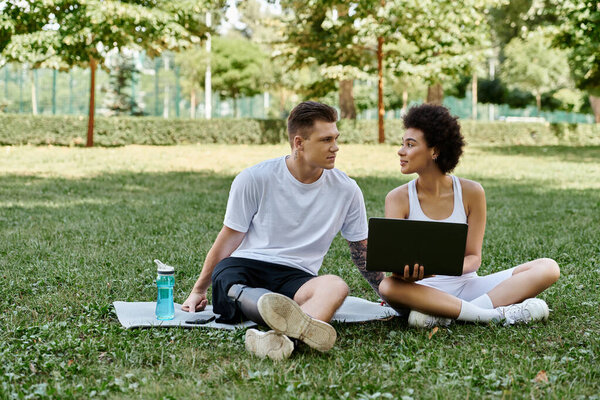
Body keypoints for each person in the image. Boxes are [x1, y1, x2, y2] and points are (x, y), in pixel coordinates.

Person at [182, 101, 384, 359]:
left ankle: (281, 340)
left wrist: (385, 294)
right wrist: (198, 290)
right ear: (299, 143)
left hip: (296, 278)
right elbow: (228, 240)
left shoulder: (347, 190)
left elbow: (361, 251)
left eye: (336, 138)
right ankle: (280, 315)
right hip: (244, 267)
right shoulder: (255, 178)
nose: (335, 147)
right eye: (326, 140)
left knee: (336, 285)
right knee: (233, 284)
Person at [379, 104, 560, 328]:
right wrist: (408, 274)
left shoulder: (472, 192)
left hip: (467, 287)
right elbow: (394, 267)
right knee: (387, 286)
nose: (400, 151)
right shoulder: (397, 198)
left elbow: (474, 257)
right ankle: (493, 315)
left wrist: (442, 267)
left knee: (548, 267)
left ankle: (452, 313)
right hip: (420, 291)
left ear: (434, 151)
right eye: (402, 143)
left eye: (410, 144)